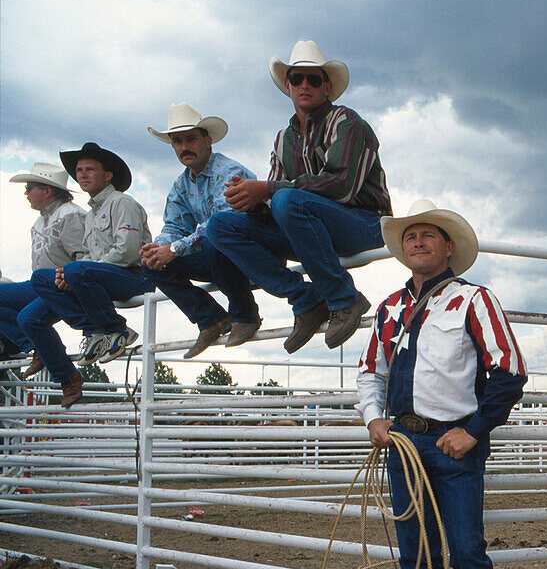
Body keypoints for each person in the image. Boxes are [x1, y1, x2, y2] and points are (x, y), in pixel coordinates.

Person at [357, 199, 526, 569]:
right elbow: (372, 372)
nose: (417, 242)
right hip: (403, 445)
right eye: (410, 236)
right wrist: (373, 418)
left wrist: (473, 430)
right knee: (416, 557)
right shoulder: (389, 307)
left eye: (428, 235)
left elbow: (509, 372)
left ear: (448, 247)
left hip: (454, 445)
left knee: (468, 554)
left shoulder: (474, 300)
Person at [206, 40, 392, 354]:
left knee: (285, 200)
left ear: (327, 88)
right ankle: (306, 300)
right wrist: (253, 204)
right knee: (220, 226)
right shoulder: (283, 139)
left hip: (365, 223)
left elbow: (342, 185)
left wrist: (267, 190)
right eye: (296, 79)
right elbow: (277, 201)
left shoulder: (348, 123)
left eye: (314, 79)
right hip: (307, 226)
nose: (304, 85)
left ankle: (344, 298)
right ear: (287, 86)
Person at [25, 143, 151, 407]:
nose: (82, 174)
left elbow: (127, 251)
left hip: (132, 276)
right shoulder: (92, 213)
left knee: (73, 270)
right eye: (79, 170)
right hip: (101, 278)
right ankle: (95, 330)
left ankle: (116, 330)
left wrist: (81, 271)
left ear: (107, 176)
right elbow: (85, 257)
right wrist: (67, 275)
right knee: (42, 279)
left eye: (90, 169)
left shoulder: (122, 202)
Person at [141, 103, 261, 358]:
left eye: (191, 139)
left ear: (208, 140)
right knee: (150, 262)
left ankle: (245, 315)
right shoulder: (181, 185)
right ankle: (211, 319)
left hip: (252, 253)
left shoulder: (228, 172)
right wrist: (160, 248)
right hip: (220, 259)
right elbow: (174, 225)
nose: (184, 147)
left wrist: (173, 249)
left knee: (216, 235)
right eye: (177, 141)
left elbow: (222, 221)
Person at [2, 163, 87, 381]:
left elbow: (84, 258)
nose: (26, 193)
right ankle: (36, 345)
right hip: (43, 285)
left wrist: (68, 279)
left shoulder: (70, 215)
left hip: (61, 285)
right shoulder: (41, 220)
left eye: (30, 188)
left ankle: (41, 350)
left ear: (47, 191)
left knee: (26, 315)